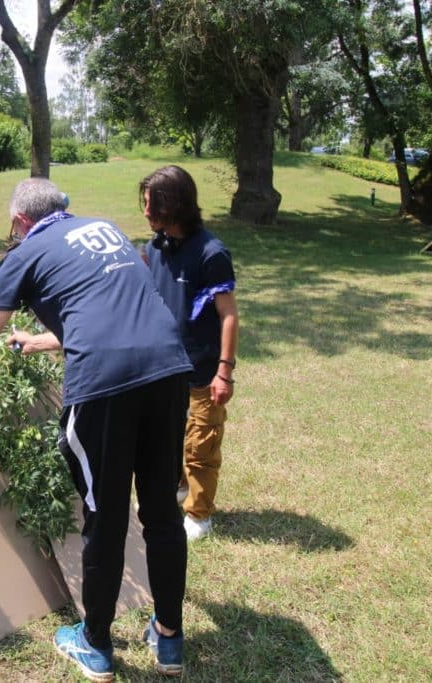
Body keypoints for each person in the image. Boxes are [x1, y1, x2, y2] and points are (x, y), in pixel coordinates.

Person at [0, 178, 192, 680]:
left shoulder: (22, 255)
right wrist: (42, 342)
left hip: (104, 388)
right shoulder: (106, 230)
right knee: (160, 510)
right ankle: (169, 638)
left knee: (104, 517)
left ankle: (95, 645)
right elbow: (108, 311)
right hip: (169, 369)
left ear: (21, 221)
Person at [140, 166, 239, 542]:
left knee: (200, 442)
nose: (146, 212)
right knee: (167, 437)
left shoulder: (210, 253)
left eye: (151, 205)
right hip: (164, 368)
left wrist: (224, 372)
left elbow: (228, 315)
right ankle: (178, 487)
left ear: (172, 204)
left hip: (202, 368)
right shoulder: (155, 247)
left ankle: (199, 513)